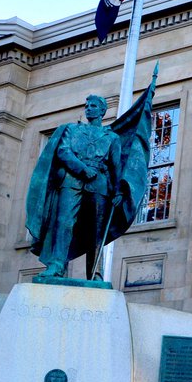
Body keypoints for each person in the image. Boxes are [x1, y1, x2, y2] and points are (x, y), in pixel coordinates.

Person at [26, 70, 156, 282]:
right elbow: (63, 151)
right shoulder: (72, 130)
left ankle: (95, 273)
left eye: (93, 106)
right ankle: (56, 265)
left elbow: (115, 167)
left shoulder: (111, 137)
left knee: (97, 230)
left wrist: (117, 191)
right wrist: (81, 168)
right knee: (64, 222)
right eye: (87, 106)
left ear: (103, 111)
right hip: (72, 180)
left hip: (100, 185)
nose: (89, 109)